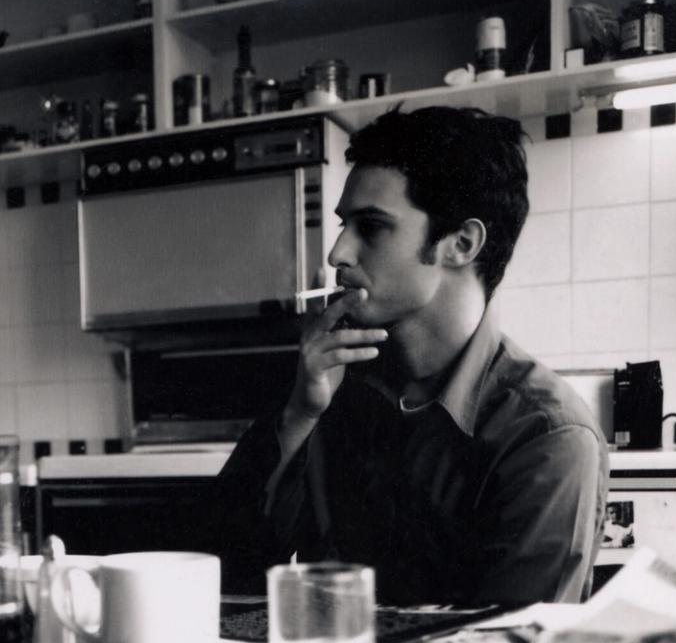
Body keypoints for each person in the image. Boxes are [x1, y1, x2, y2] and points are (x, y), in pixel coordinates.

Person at [213, 105, 607, 605]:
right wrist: (298, 415)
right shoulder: (327, 385)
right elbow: (222, 571)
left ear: (460, 243)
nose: (337, 254)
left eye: (371, 227)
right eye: (343, 225)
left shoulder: (548, 437)